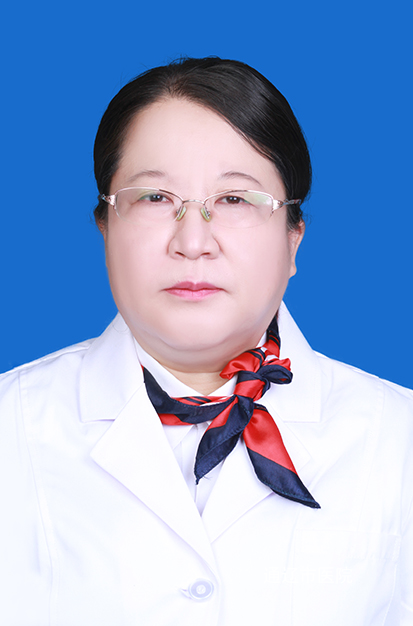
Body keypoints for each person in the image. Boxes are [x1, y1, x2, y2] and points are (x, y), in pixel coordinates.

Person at [0, 57, 412, 626]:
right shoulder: (10, 427)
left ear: (294, 237)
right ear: (105, 227)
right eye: (154, 198)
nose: (193, 241)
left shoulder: (399, 442)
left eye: (236, 200)